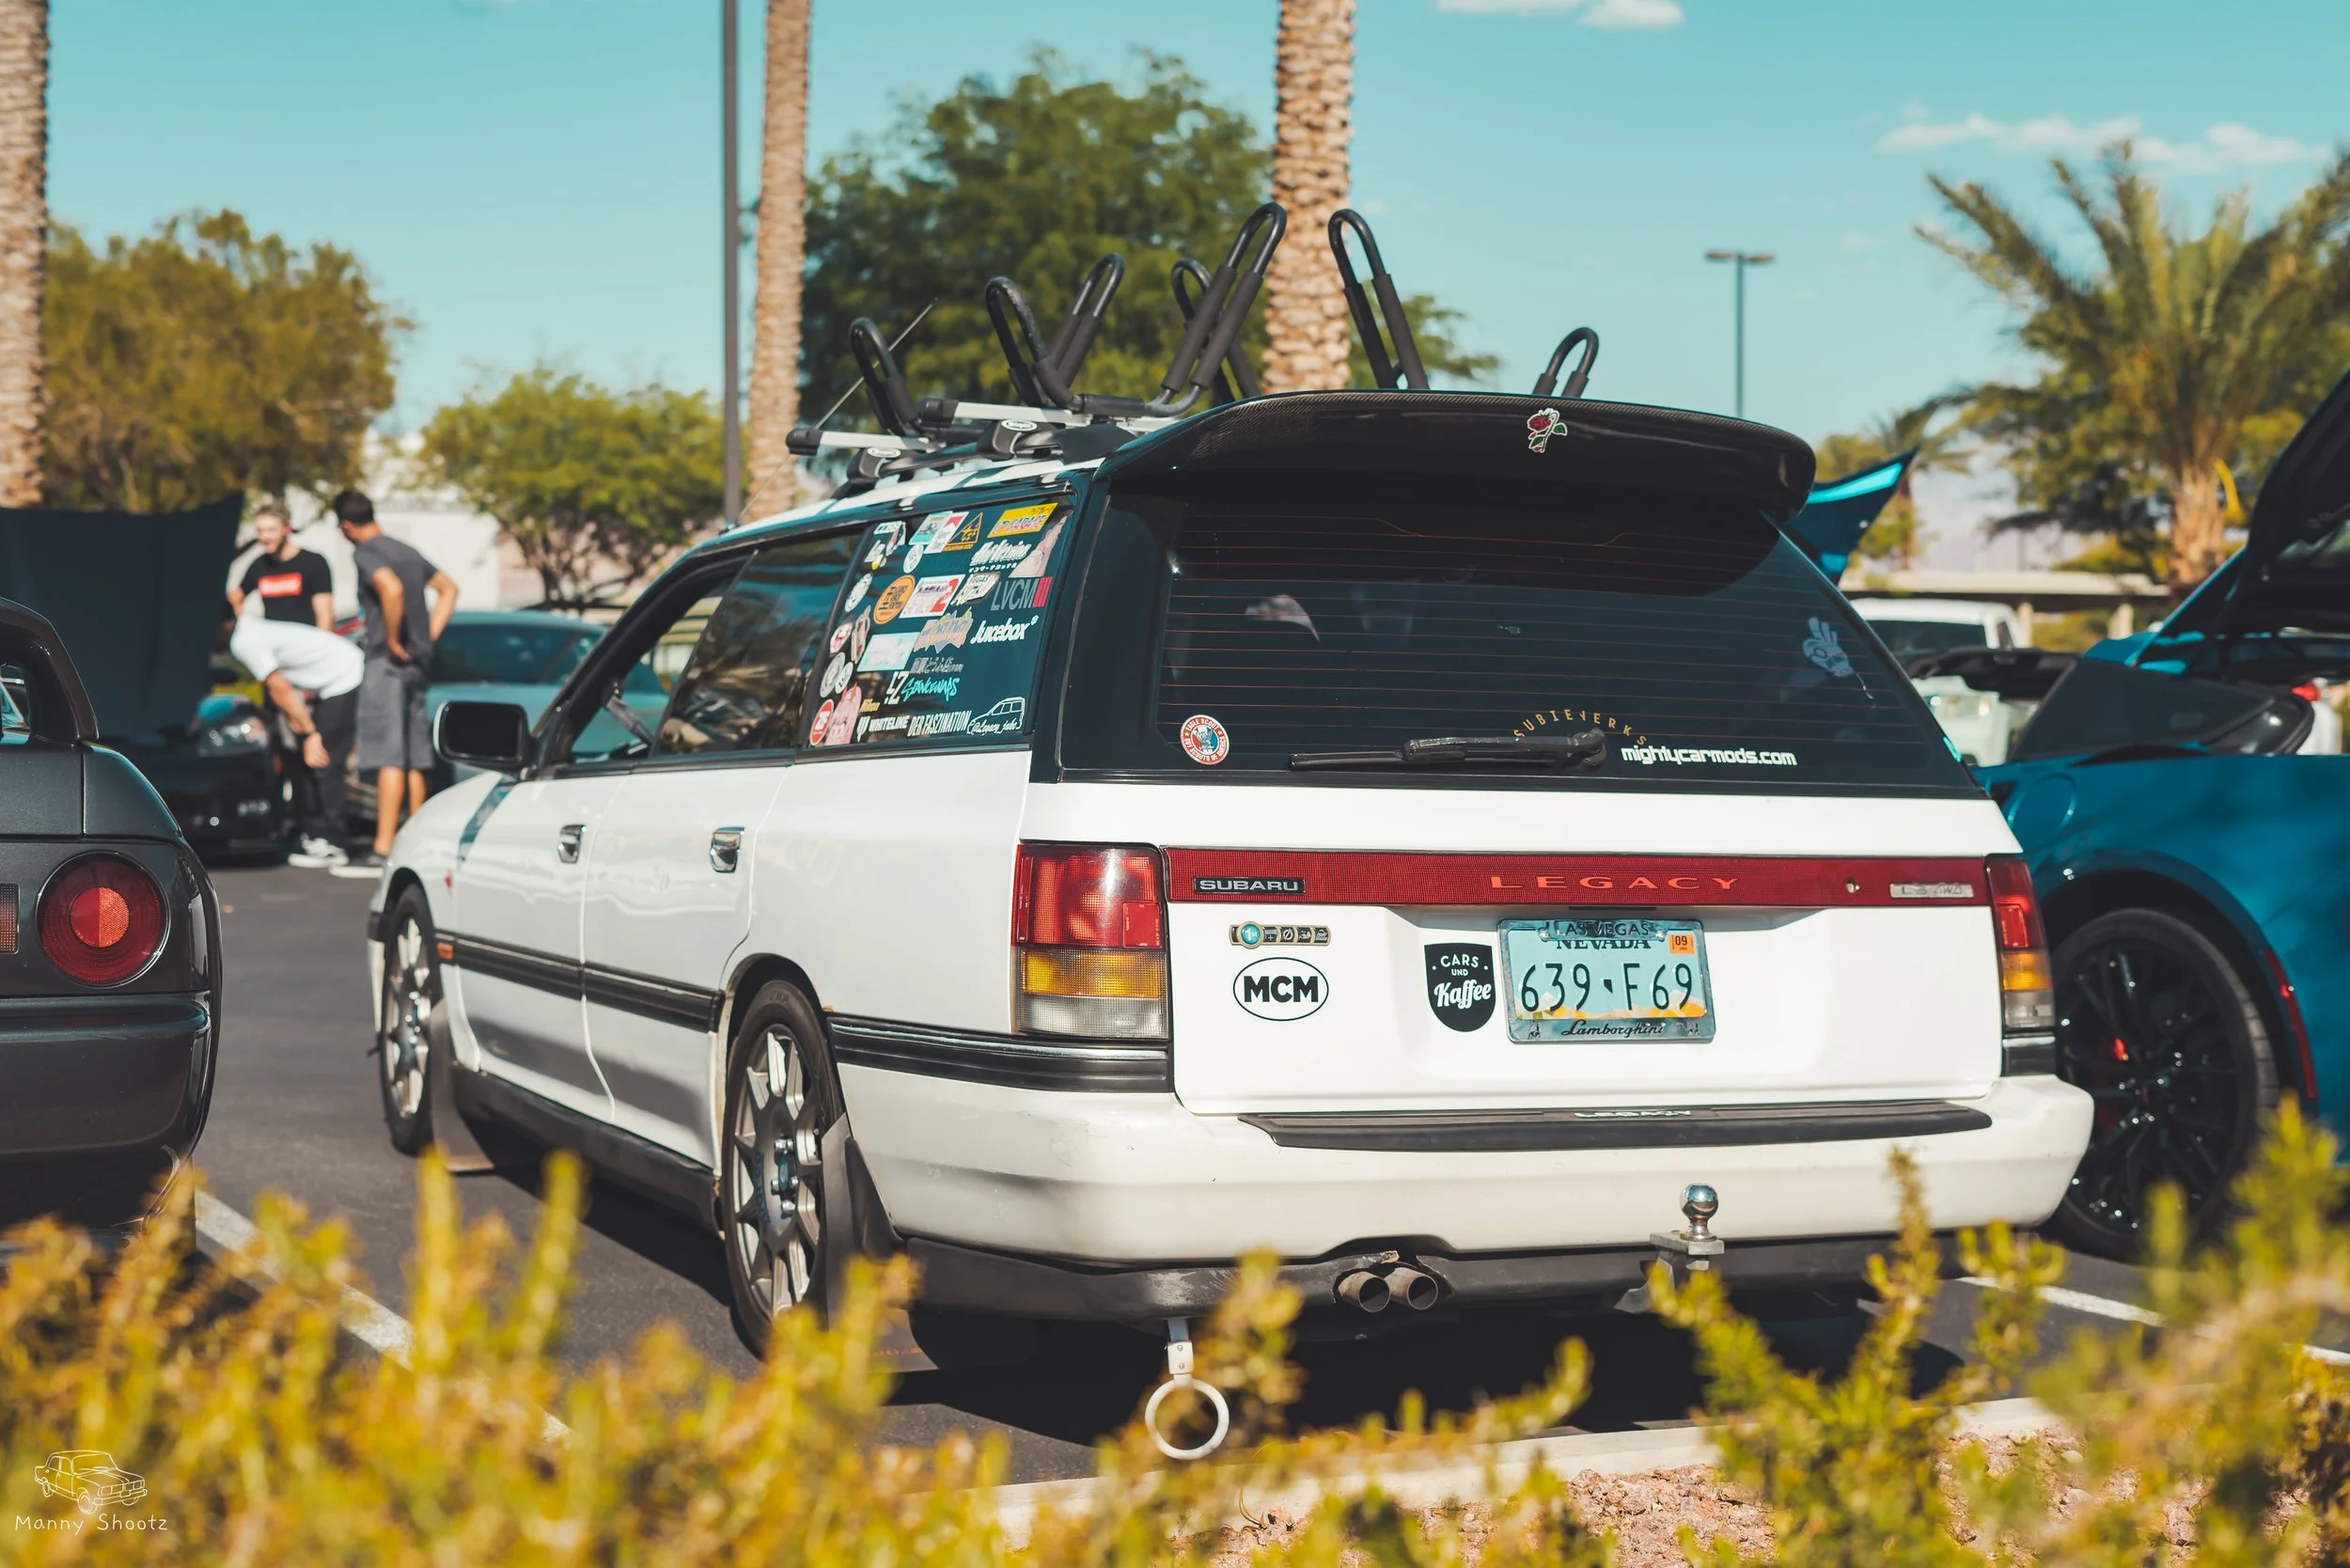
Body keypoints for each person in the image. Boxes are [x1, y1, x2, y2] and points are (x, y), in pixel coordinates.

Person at [332, 490, 457, 874]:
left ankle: (384, 847)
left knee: (388, 754)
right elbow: (449, 589)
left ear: (346, 526)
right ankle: (415, 842)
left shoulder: (366, 551)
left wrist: (391, 640)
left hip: (387, 664)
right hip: (417, 666)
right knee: (415, 757)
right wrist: (427, 639)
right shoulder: (406, 550)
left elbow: (391, 589)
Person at [220, 602, 365, 868]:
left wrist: (310, 733)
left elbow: (278, 687)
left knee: (325, 761)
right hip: (328, 682)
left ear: (223, 626)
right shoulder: (247, 632)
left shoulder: (244, 641)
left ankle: (334, 842)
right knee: (309, 763)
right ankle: (316, 834)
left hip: (345, 675)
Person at [229, 504, 337, 629]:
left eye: (271, 530)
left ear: (287, 529)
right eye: (260, 530)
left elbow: (325, 616)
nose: (264, 537)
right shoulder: (258, 565)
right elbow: (235, 597)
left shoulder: (314, 562)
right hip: (273, 639)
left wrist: (320, 641)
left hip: (306, 638)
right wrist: (244, 625)